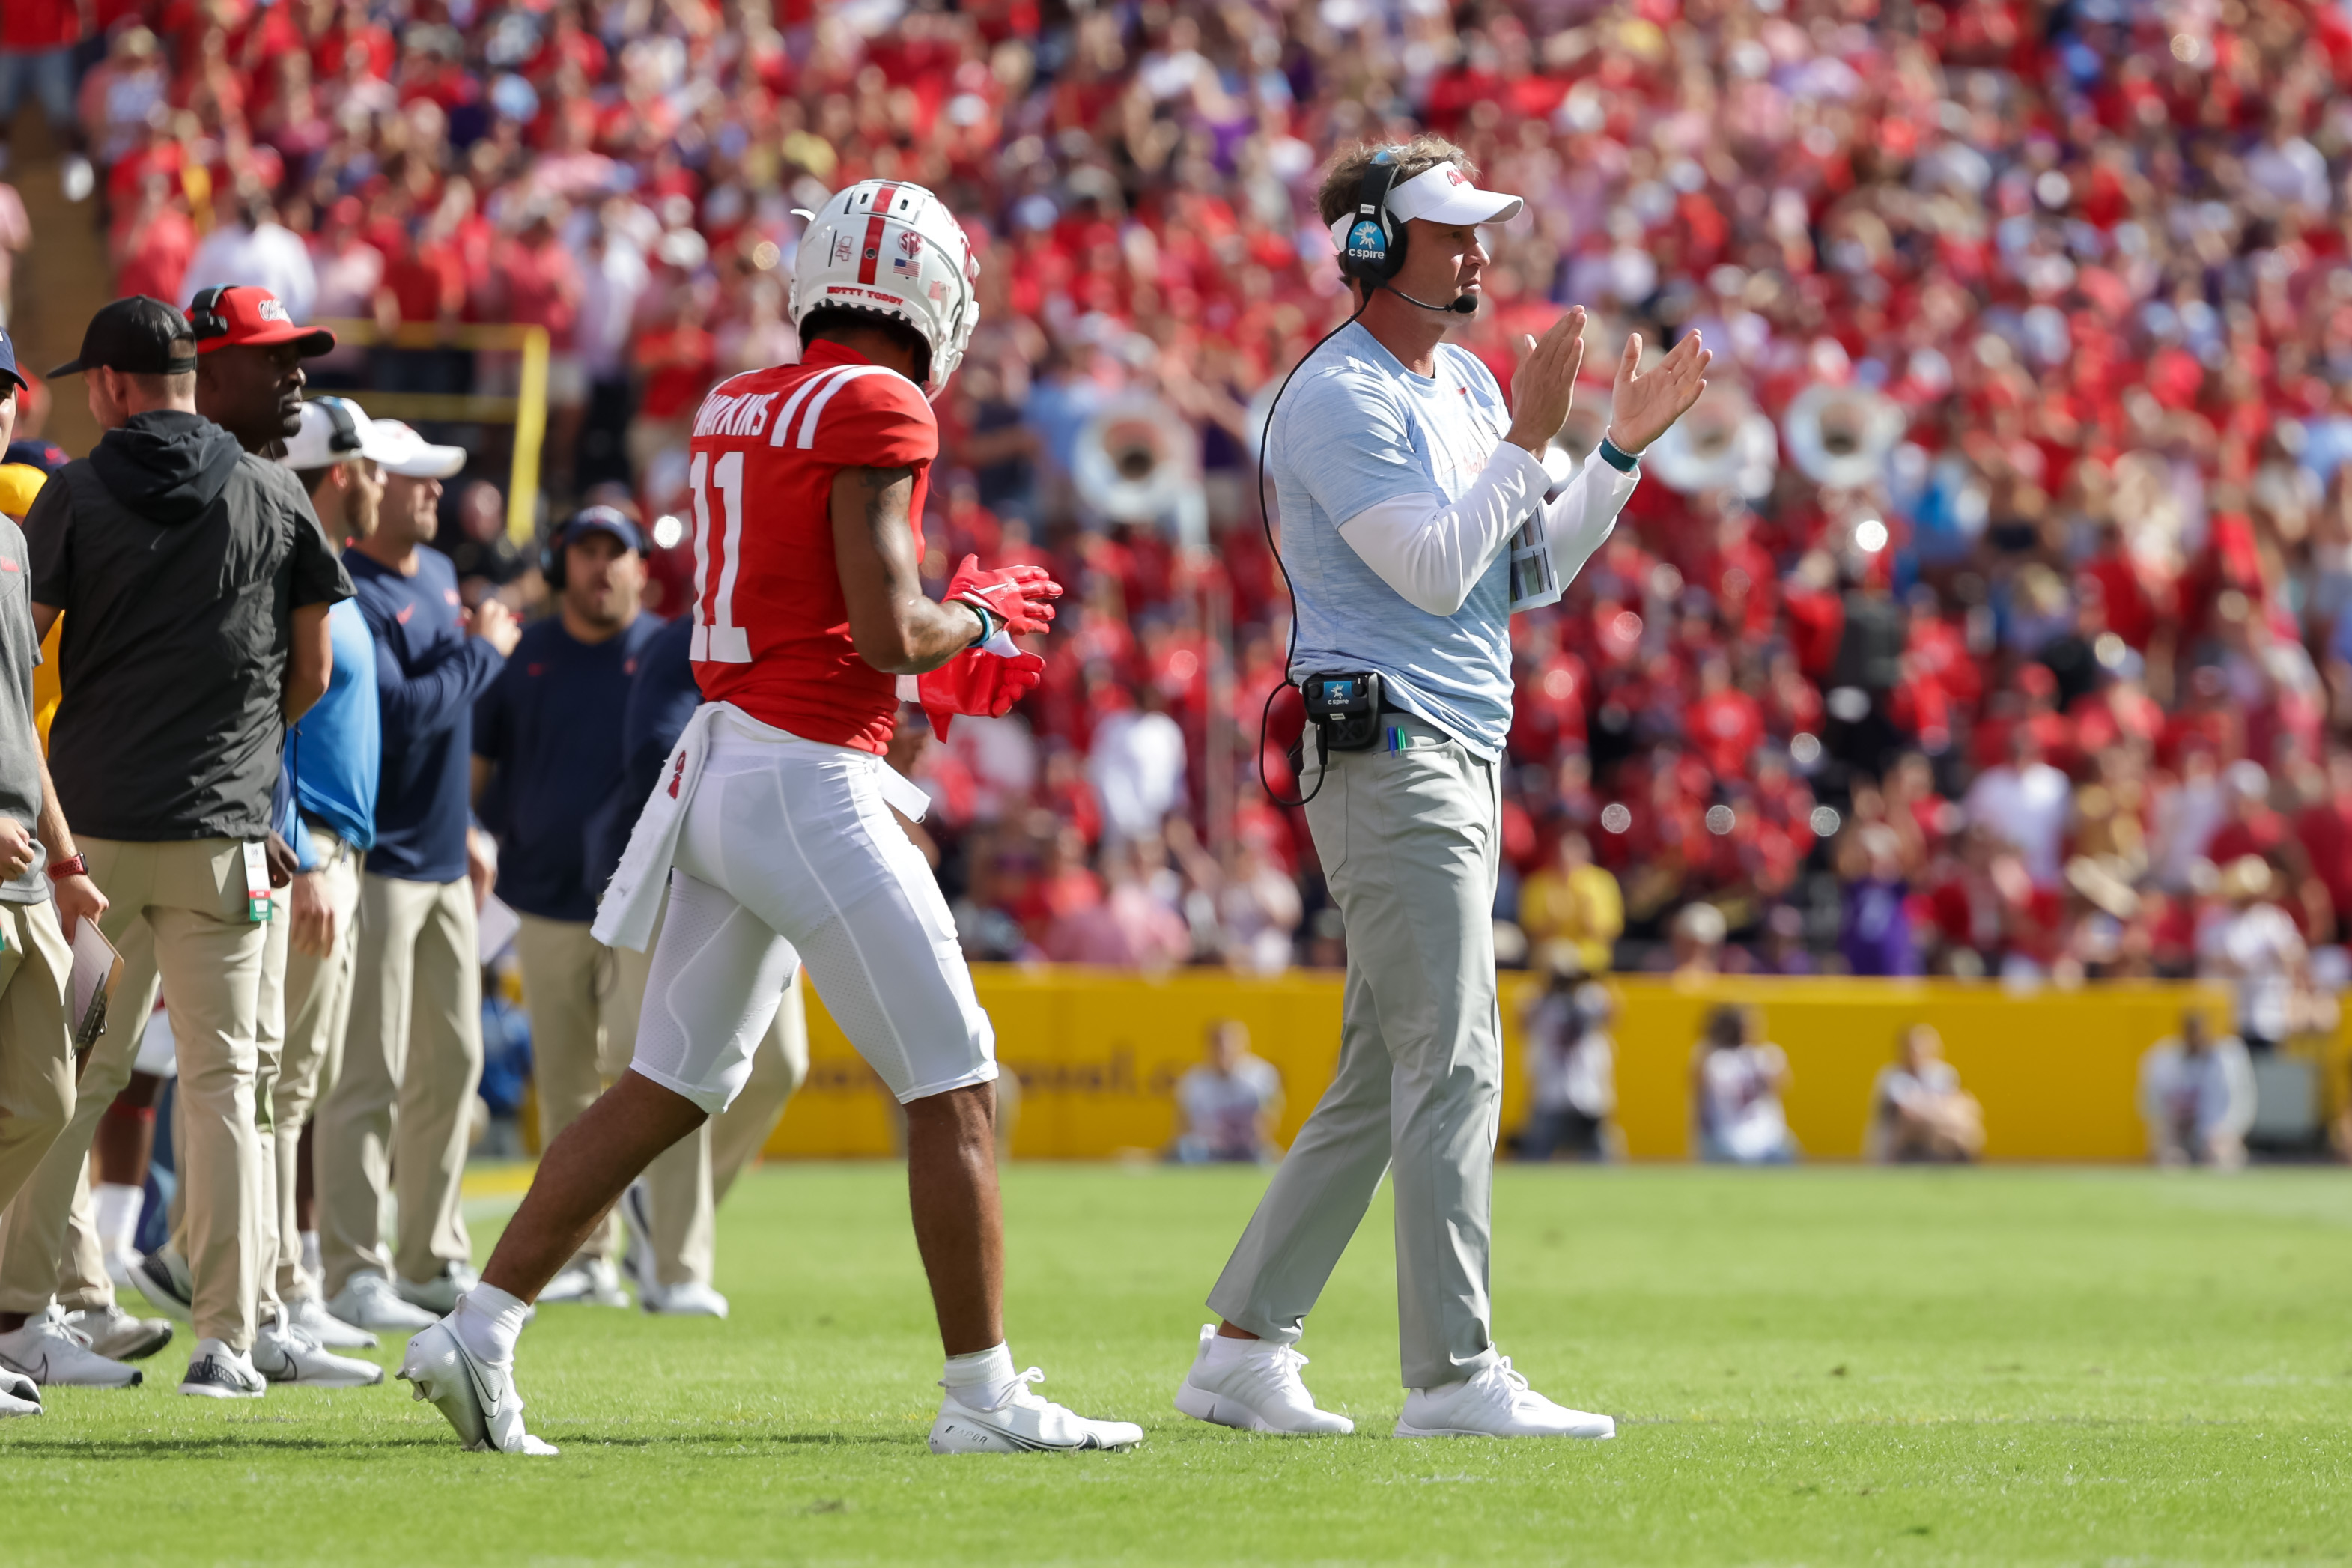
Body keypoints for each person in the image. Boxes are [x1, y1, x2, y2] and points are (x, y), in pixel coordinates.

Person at [396, 179, 1139, 1458]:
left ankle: (476, 1326)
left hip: (727, 760)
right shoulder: (878, 400)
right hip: (806, 774)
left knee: (669, 1080)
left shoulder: (739, 397)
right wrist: (982, 621)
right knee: (956, 1077)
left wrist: (929, 636)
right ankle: (982, 1391)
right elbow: (886, 627)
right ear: (925, 290)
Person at [1178, 136, 1704, 1442]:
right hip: (1389, 748)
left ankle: (1243, 1344)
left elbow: (1522, 572)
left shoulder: (1463, 379)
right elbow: (1425, 569)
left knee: (1384, 1071)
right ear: (1368, 246)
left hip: (1450, 740)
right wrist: (1528, 438)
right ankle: (1453, 1373)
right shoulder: (1335, 398)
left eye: (1479, 229)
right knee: (1457, 1054)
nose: (1478, 251)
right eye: (1448, 229)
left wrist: (1611, 459)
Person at [0, 295, 348, 1400]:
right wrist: (244, 760)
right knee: (229, 1086)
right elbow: (314, 673)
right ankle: (225, 1340)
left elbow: (24, 649)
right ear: (195, 375)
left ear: (108, 386)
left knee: (75, 1075)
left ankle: (25, 1315)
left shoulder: (74, 490)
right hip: (224, 844)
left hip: (92, 843)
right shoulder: (276, 489)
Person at [115, 286, 380, 1389]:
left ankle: (253, 1306)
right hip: (143, 826)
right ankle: (70, 1298)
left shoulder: (252, 491)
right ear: (205, 368)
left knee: (244, 1076)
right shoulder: (161, 494)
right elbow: (281, 680)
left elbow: (289, 681)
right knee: (106, 1075)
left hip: (237, 830)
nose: (296, 378)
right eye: (274, 358)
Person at [313, 415, 509, 1334]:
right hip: (382, 859)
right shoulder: (347, 584)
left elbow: (447, 719)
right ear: (371, 486)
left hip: (439, 855)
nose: (433, 491)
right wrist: (484, 651)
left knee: (455, 1062)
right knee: (370, 1071)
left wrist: (468, 822)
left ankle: (431, 1256)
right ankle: (354, 1266)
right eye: (416, 478)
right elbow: (404, 714)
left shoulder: (432, 575)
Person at [470, 505, 662, 1308]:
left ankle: (654, 1249)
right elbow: (477, 768)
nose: (600, 569)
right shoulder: (527, 655)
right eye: (585, 553)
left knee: (643, 1079)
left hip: (648, 895)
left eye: (614, 554)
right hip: (543, 898)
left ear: (640, 569)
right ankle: (585, 1259)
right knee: (567, 1085)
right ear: (562, 565)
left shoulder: (666, 650)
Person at [602, 609, 805, 1319]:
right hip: (678, 876)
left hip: (767, 877)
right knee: (677, 1067)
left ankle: (656, 1208)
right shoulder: (686, 639)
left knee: (782, 1065)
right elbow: (657, 751)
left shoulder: (796, 634)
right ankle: (675, 1269)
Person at [270, 396, 400, 1352]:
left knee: (297, 1085)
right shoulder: (290, 567)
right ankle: (274, 1294)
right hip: (308, 850)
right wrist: (303, 845)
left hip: (340, 851)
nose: (387, 485)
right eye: (373, 468)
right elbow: (264, 718)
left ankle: (291, 1283)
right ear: (341, 473)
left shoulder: (332, 571)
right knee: (274, 1084)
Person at [0, 331, 108, 1418]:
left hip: (29, 865)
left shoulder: (10, 540)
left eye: (4, 394)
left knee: (46, 1095)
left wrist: (68, 854)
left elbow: (19, 725)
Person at [1518, 966, 1616, 1162]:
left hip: (1578, 1095)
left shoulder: (1583, 1000)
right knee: (1533, 1159)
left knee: (1602, 1159)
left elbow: (1613, 1014)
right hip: (1563, 1093)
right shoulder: (1547, 1002)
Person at [2139, 1012, 2255, 1168]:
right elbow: (2152, 1105)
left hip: (2218, 1135)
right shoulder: (2164, 1058)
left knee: (2221, 1160)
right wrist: (2167, 1135)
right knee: (2171, 1162)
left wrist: (2227, 1131)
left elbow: (2243, 1102)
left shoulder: (2228, 1059)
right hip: (2178, 1135)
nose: (2195, 1038)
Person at [1692, 1003, 1796, 1164]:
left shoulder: (1765, 1055)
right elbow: (1697, 1084)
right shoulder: (1716, 1058)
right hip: (1727, 1141)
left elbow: (1783, 1083)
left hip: (1767, 1137)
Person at [1864, 1025, 1984, 1163]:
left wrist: (1935, 1114)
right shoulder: (1892, 1076)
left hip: (1939, 1138)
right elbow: (1906, 1116)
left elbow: (1967, 1106)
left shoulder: (1943, 1073)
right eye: (1914, 1047)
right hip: (1900, 1149)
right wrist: (1940, 1114)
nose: (1919, 1052)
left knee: (1967, 1126)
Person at [1170, 1021, 1283, 1164]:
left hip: (1248, 1149)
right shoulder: (1192, 1081)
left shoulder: (1261, 1076)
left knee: (1268, 1157)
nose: (1223, 1050)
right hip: (1208, 1151)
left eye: (1229, 1044)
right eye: (1217, 1044)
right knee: (1182, 1151)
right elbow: (1182, 1127)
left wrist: (1257, 1138)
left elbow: (1271, 1118)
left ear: (1242, 1044)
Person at [1517, 831, 1621, 975]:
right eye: (1560, 854)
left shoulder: (1602, 882)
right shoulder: (1536, 884)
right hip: (1548, 958)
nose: (1566, 859)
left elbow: (1609, 930)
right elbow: (1531, 930)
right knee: (1557, 955)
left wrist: (1586, 913)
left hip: (1591, 957)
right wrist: (1553, 919)